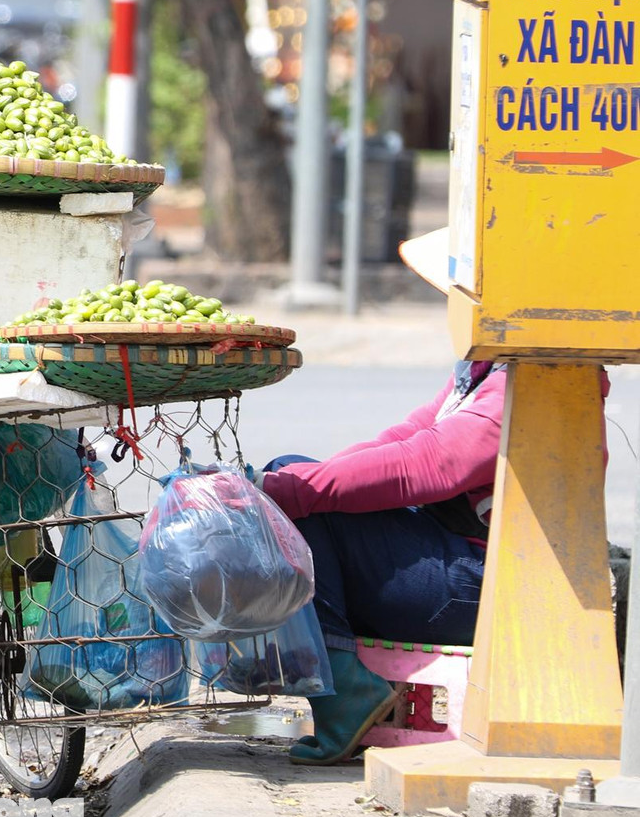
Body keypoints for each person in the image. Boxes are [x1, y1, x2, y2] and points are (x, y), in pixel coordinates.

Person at [252, 227, 606, 766]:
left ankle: (342, 688)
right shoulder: (489, 367)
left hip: (485, 585)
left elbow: (433, 463)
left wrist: (287, 492)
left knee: (302, 505)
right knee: (294, 477)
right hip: (455, 558)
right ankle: (337, 676)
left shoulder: (536, 378)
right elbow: (407, 437)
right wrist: (280, 482)